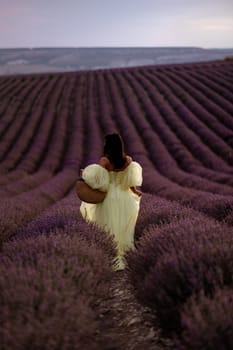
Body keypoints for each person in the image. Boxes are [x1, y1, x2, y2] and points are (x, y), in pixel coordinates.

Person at [80, 133, 143, 270]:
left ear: (108, 145)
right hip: (125, 198)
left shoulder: (105, 161)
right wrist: (134, 191)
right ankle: (126, 256)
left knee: (107, 227)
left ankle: (110, 258)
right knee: (124, 228)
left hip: (109, 197)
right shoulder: (127, 160)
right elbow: (129, 181)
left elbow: (98, 181)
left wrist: (85, 174)